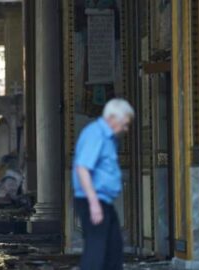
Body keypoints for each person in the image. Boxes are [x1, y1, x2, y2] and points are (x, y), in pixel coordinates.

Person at [73, 98, 134, 270]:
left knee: (113, 248)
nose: (126, 129)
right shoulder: (96, 134)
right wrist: (94, 204)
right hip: (93, 200)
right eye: (125, 123)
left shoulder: (107, 138)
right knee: (96, 251)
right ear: (113, 118)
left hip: (102, 200)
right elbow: (82, 168)